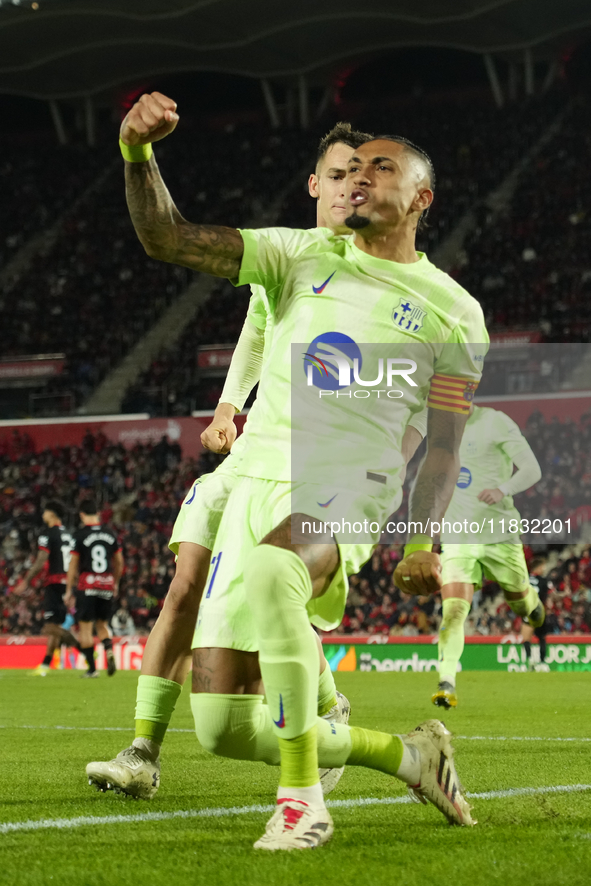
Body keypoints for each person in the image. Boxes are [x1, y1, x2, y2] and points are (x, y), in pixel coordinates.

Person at [107, 92, 488, 849]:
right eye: (351, 169)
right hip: (254, 480)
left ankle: (301, 800)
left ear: (420, 198)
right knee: (221, 725)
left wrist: (421, 542)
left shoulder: (455, 312)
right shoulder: (299, 254)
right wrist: (135, 154)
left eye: (380, 169)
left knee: (276, 572)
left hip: (351, 481)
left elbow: (444, 442)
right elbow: (168, 239)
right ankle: (408, 755)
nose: (357, 179)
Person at [432, 405, 543, 709]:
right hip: (457, 538)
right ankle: (446, 681)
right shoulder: (438, 428)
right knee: (453, 612)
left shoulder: (495, 422)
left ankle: (532, 603)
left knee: (518, 599)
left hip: (499, 534)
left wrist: (502, 489)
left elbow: (533, 469)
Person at [15, 500, 79, 676]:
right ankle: (45, 665)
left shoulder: (47, 534)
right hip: (67, 582)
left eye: (45, 512)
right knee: (55, 626)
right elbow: (75, 560)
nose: (43, 515)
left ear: (51, 514)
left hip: (54, 582)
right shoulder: (69, 534)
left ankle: (83, 648)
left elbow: (42, 559)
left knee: (48, 628)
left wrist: (27, 580)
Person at [65, 500, 123, 678]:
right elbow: (119, 561)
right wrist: (115, 582)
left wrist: (68, 590)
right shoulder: (109, 533)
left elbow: (73, 565)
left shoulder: (79, 535)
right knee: (102, 625)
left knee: (86, 628)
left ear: (82, 514)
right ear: (97, 513)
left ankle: (92, 669)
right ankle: (109, 650)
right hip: (106, 583)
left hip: (87, 584)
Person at [523, 556, 553, 671]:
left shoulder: (525, 580)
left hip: (528, 611)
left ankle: (530, 660)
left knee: (526, 637)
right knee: (542, 638)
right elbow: (551, 594)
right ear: (538, 568)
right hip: (540, 611)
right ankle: (542, 663)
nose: (544, 568)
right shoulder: (544, 581)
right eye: (543, 566)